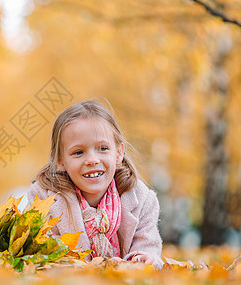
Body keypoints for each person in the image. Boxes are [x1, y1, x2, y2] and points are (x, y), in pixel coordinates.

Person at [27, 99, 163, 268]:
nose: (92, 160)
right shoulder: (44, 200)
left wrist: (142, 259)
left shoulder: (142, 200)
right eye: (78, 152)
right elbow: (43, 256)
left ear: (119, 153)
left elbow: (148, 247)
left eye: (103, 148)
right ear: (60, 161)